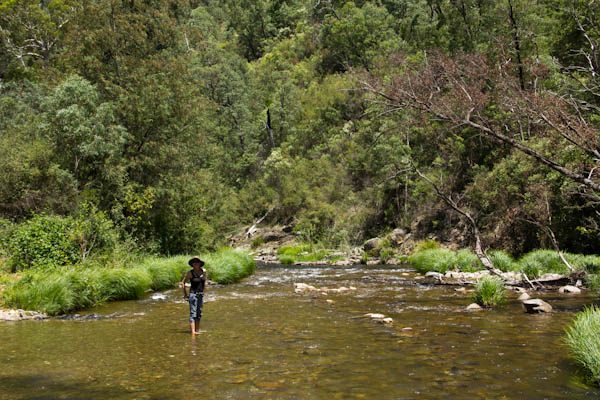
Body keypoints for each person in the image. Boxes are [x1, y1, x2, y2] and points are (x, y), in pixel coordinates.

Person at [181, 256, 207, 335]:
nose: (195, 263)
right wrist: (185, 295)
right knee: (193, 313)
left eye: (197, 261)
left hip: (201, 295)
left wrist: (203, 291)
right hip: (193, 295)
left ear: (200, 263)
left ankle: (197, 330)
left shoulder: (204, 271)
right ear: (192, 264)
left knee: (199, 313)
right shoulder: (190, 273)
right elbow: (183, 283)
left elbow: (204, 281)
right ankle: (193, 333)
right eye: (194, 262)